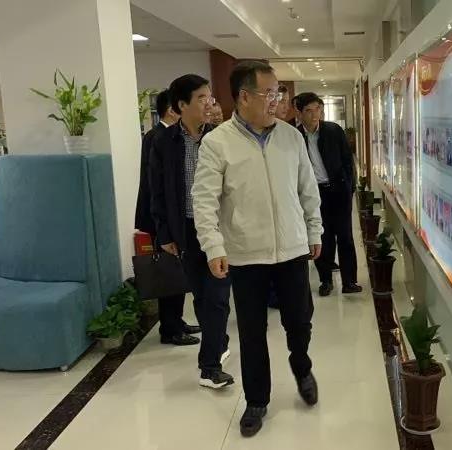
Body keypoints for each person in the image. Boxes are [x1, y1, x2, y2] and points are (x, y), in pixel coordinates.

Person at [191, 60, 323, 437]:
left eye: (278, 92)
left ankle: (302, 366)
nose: (276, 100)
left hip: (292, 249)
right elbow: (204, 200)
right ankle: (256, 400)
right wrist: (213, 246)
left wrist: (314, 230)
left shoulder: (291, 137)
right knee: (252, 332)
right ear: (244, 97)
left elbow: (307, 188)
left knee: (299, 321)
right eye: (269, 93)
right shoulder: (217, 142)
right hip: (246, 254)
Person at [149, 75, 234, 389]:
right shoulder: (163, 142)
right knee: (201, 296)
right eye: (201, 98)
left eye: (209, 97)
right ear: (181, 106)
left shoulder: (222, 137)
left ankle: (209, 366)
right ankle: (218, 340)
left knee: (217, 297)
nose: (209, 103)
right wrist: (164, 234)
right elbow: (156, 191)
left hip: (219, 231)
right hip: (185, 229)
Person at [135, 89, 200, 346]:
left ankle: (176, 321)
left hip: (166, 216)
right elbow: (156, 185)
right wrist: (162, 224)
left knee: (177, 271)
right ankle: (170, 328)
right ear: (173, 110)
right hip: (160, 218)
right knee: (169, 272)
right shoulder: (158, 136)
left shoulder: (168, 135)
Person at [295, 92, 362, 297]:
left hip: (338, 191)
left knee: (345, 236)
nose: (315, 114)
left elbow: (347, 160)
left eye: (318, 109)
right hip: (314, 194)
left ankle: (349, 281)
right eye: (309, 110)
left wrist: (349, 186)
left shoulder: (333, 130)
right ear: (299, 113)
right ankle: (325, 281)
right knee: (322, 237)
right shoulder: (294, 136)